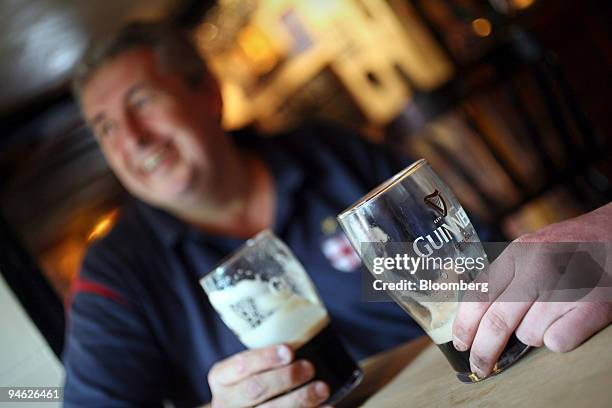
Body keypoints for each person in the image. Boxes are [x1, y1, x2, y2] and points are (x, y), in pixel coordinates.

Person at [63, 21, 612, 407]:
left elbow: (480, 264)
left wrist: (579, 260)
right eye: (106, 128)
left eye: (141, 102)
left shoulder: (327, 154)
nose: (131, 139)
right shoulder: (117, 272)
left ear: (207, 92)